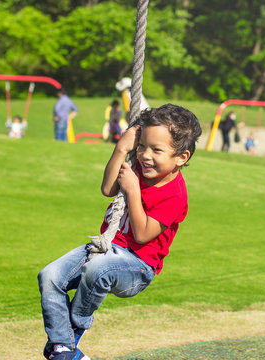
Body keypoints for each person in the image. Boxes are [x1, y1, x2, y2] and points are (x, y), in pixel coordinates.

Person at [37, 104, 202, 360]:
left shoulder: (175, 194)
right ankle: (63, 348)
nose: (146, 155)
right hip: (105, 249)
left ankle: (73, 328)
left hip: (137, 266)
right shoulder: (135, 163)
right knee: (49, 276)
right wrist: (122, 148)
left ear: (181, 157)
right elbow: (107, 188)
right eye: (142, 146)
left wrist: (134, 191)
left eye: (157, 150)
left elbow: (143, 235)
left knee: (97, 269)